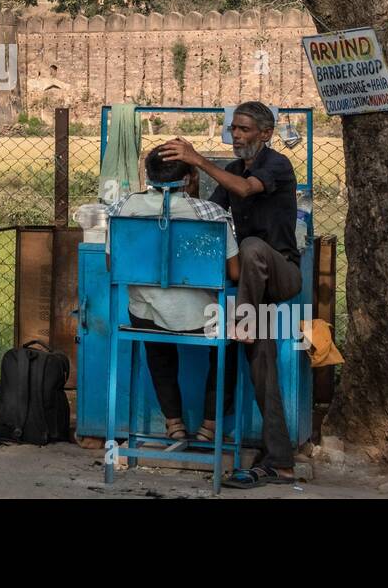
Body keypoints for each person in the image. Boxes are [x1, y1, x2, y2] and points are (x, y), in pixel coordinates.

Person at [160, 100, 301, 487]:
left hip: (282, 273)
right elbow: (211, 215)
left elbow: (243, 189)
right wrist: (183, 187)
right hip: (252, 291)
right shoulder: (233, 171)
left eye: (243, 130)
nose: (236, 136)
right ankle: (280, 460)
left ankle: (243, 320)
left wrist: (200, 160)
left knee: (254, 246)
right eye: (233, 130)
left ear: (266, 134)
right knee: (262, 367)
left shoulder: (276, 165)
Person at [107, 146, 240, 449]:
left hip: (146, 317)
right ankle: (210, 426)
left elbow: (112, 264)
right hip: (204, 319)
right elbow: (234, 271)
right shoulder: (210, 213)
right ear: (191, 177)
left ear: (147, 176)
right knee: (230, 346)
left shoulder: (123, 209)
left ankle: (173, 424)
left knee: (156, 343)